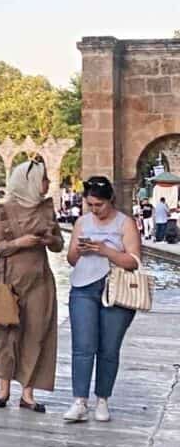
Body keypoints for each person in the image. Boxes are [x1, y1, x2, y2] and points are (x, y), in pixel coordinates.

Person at [0, 160, 63, 413]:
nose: (47, 184)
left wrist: (48, 239)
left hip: (39, 280)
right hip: (10, 281)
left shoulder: (46, 210)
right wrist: (20, 242)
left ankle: (27, 393)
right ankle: (3, 388)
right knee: (7, 333)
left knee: (36, 333)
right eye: (43, 179)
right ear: (28, 182)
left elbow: (58, 245)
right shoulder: (5, 210)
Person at [63, 176, 141, 423]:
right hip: (84, 287)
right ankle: (79, 401)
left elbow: (134, 261)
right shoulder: (82, 222)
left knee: (108, 348)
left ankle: (103, 400)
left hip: (115, 290)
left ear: (110, 201)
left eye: (99, 205)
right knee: (83, 346)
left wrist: (105, 250)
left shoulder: (124, 223)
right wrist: (80, 249)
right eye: (90, 205)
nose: (95, 210)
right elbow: (71, 260)